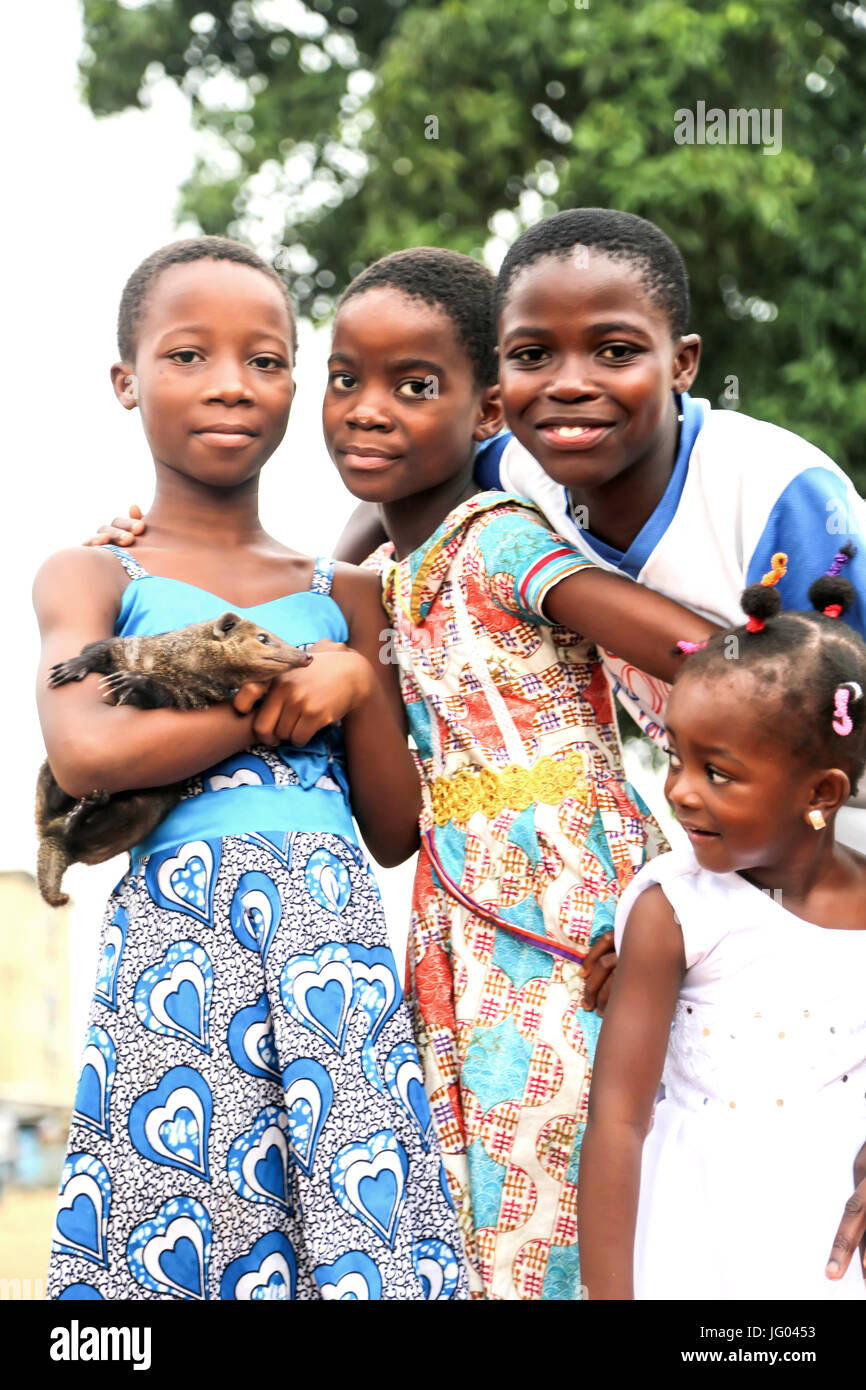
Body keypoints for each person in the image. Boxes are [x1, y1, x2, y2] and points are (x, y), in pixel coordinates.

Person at [35, 236, 467, 1301]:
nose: (231, 382)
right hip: (181, 949)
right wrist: (275, 694)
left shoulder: (346, 592)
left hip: (335, 950)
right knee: (184, 1225)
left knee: (356, 1232)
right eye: (188, 356)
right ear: (125, 380)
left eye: (266, 359)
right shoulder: (95, 571)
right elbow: (86, 749)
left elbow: (392, 827)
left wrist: (359, 684)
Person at [319, 246, 725, 1299]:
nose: (369, 410)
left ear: (487, 411)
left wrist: (681, 853)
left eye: (414, 386)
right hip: (458, 927)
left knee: (586, 1197)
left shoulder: (501, 542)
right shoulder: (390, 586)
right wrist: (353, 618)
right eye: (343, 379)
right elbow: (393, 828)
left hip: (571, 903)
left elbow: (698, 655)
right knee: (491, 1216)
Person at [577, 561, 866, 1300]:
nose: (678, 790)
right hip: (699, 1223)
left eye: (719, 772)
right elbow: (616, 1122)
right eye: (676, 757)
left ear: (821, 793)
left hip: (829, 1230)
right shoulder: (676, 909)